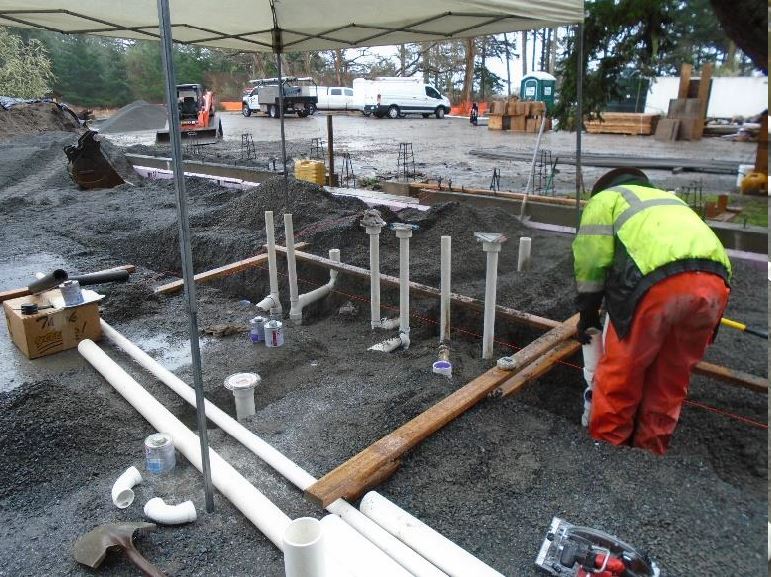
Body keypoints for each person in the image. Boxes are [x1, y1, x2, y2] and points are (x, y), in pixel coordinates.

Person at [573, 168, 731, 454]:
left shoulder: (605, 200)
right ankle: (650, 454)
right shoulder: (669, 200)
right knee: (670, 378)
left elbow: (591, 261)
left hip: (655, 285)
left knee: (622, 373)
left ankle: (607, 449)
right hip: (714, 284)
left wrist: (587, 313)